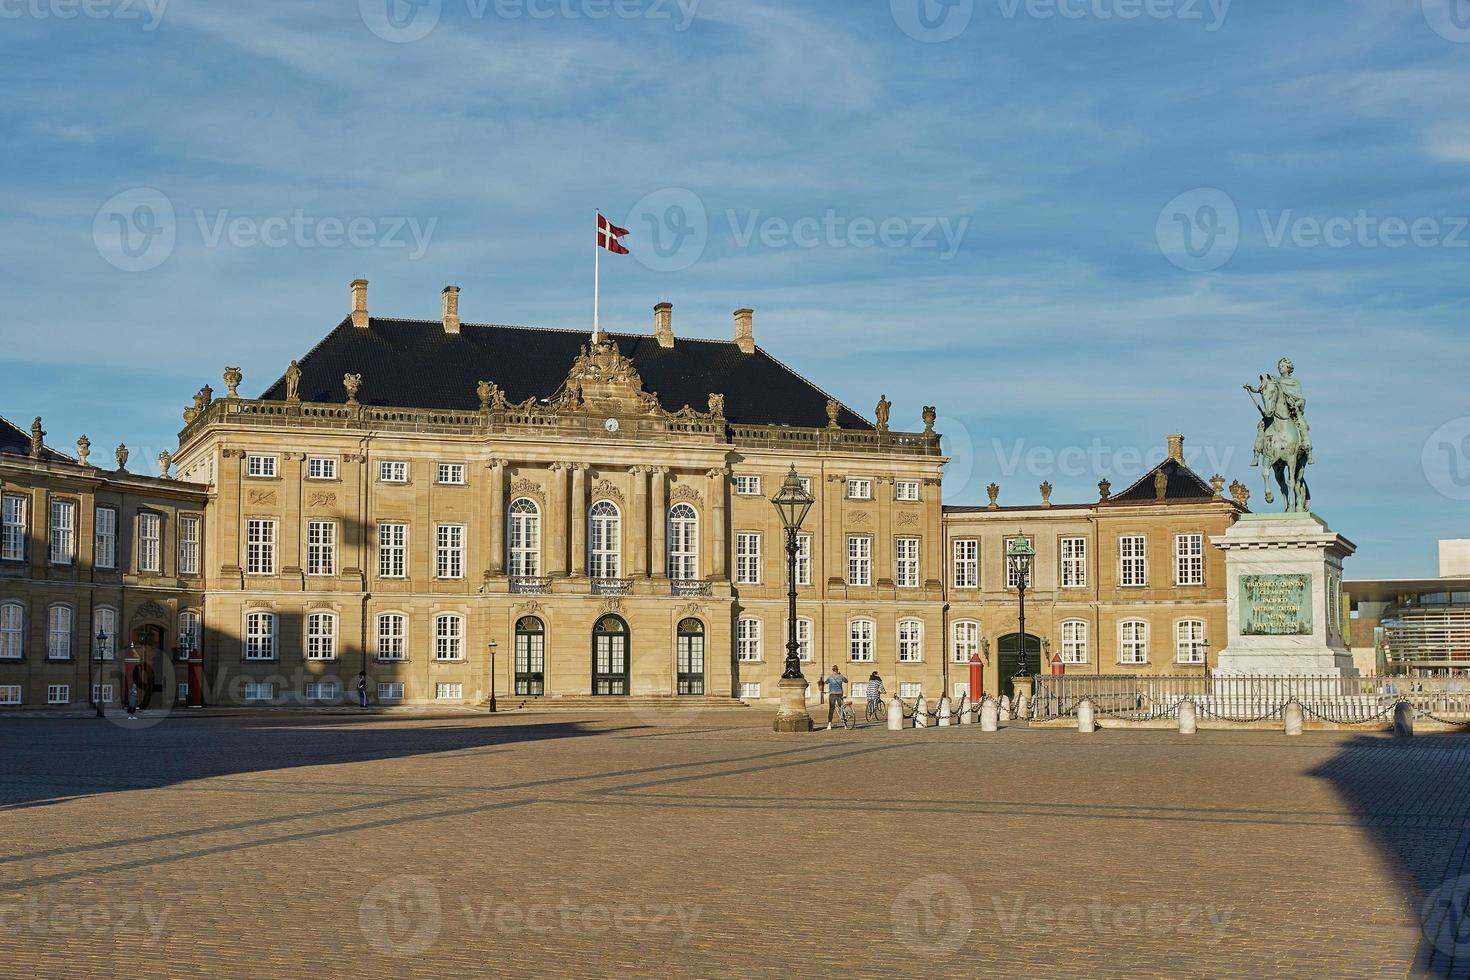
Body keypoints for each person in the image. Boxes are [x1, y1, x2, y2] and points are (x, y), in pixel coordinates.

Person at [824, 666, 848, 731]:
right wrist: (840, 675)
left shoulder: (830, 677)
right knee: (841, 708)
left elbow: (826, 682)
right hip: (840, 694)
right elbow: (846, 681)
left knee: (831, 709)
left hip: (832, 694)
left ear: (832, 670)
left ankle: (829, 725)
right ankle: (845, 725)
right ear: (837, 670)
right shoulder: (841, 676)